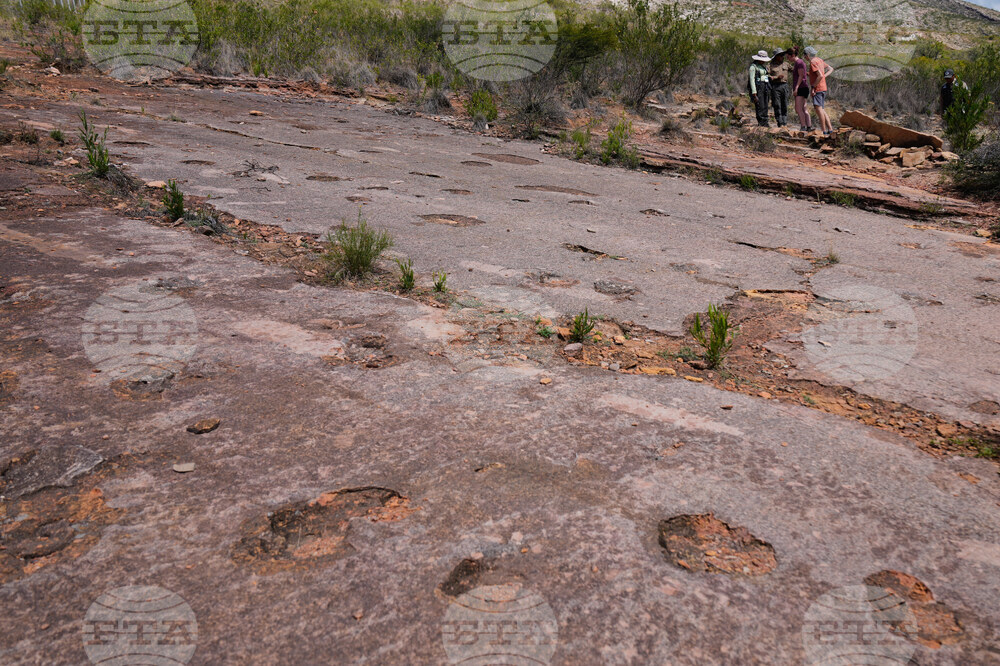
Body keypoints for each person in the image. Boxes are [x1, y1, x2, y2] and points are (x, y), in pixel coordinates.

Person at [805, 46, 834, 136]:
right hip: (823, 87)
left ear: (808, 55)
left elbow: (820, 75)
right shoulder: (819, 60)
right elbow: (831, 69)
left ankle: (823, 130)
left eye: (805, 55)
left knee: (819, 109)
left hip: (818, 88)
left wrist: (813, 87)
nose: (805, 57)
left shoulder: (813, 62)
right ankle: (830, 129)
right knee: (822, 109)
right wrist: (824, 76)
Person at [789, 46, 813, 132]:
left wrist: (796, 88)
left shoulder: (799, 62)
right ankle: (808, 126)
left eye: (788, 57)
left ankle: (803, 126)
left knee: (798, 108)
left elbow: (801, 76)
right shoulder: (799, 63)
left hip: (801, 87)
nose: (788, 59)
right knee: (803, 108)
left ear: (792, 55)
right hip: (803, 87)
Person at [768, 48, 792, 127]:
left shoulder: (786, 64)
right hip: (775, 86)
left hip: (784, 86)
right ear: (776, 56)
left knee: (784, 104)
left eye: (783, 55)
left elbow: (795, 70)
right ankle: (779, 122)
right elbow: (766, 76)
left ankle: (784, 122)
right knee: (777, 104)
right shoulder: (771, 65)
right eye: (781, 55)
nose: (782, 56)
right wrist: (776, 77)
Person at [748, 50, 772, 127]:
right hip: (758, 87)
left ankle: (765, 122)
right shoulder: (753, 67)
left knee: (765, 104)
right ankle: (761, 122)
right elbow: (752, 79)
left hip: (765, 86)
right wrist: (754, 93)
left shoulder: (762, 66)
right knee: (760, 105)